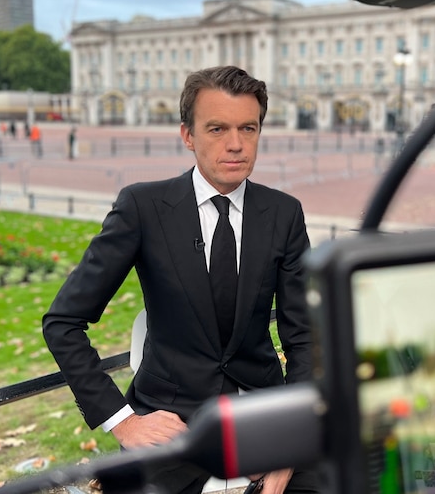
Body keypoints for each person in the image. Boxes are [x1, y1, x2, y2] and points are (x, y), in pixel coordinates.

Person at [43, 66, 317, 494]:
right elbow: (63, 322)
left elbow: (304, 338)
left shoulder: (284, 213)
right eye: (217, 128)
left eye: (249, 127)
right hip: (168, 427)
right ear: (187, 135)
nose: (236, 144)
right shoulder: (142, 207)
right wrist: (124, 421)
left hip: (264, 419)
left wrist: (291, 440)